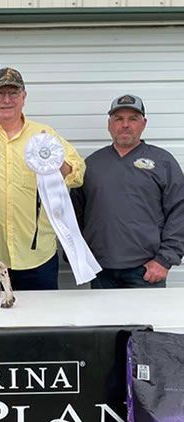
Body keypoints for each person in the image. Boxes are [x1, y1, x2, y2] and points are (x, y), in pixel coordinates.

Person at [0, 67, 85, 291]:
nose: (7, 100)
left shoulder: (45, 135)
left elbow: (78, 175)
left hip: (38, 256)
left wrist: (57, 162)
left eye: (13, 93)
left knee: (42, 314)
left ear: (24, 97)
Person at [71, 94, 184, 288]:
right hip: (101, 271)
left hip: (146, 272)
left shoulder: (163, 162)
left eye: (133, 119)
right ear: (109, 124)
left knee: (145, 311)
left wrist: (164, 259)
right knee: (102, 311)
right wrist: (79, 255)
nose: (125, 125)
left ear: (143, 123)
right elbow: (75, 214)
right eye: (118, 119)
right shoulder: (91, 165)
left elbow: (180, 212)